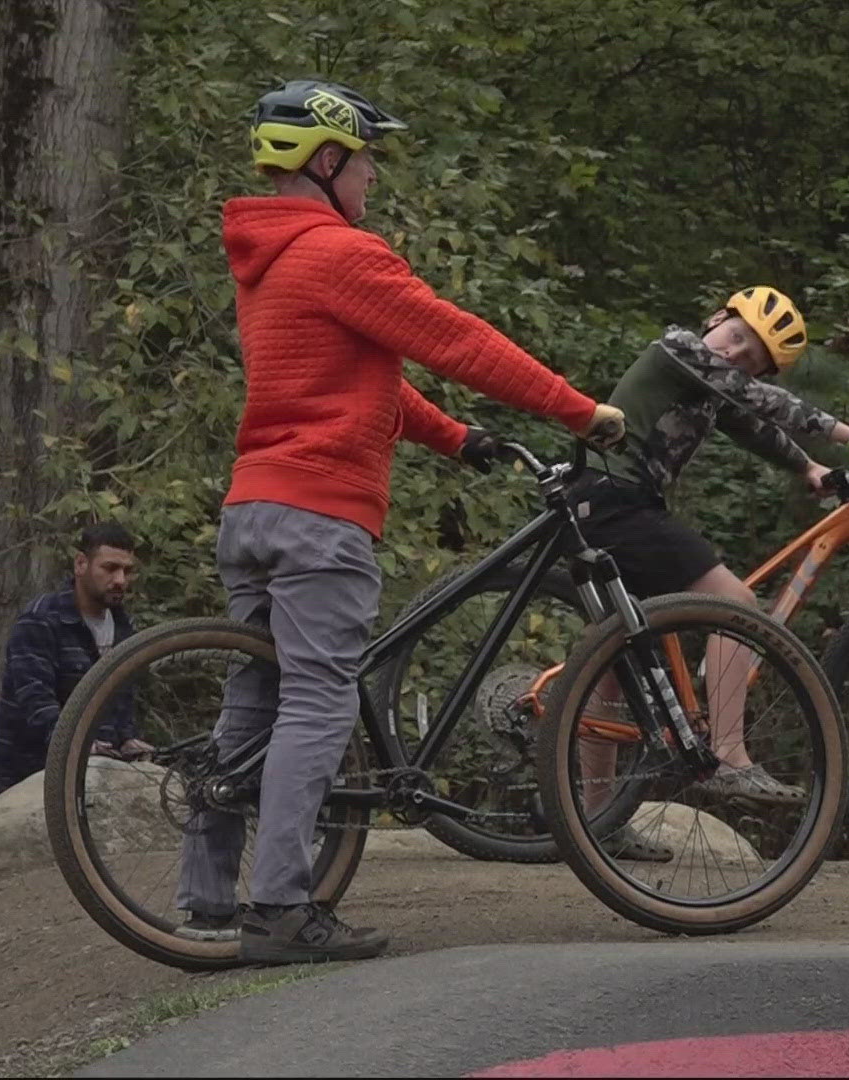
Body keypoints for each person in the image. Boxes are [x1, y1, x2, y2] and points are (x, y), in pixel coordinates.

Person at [171, 78, 626, 965]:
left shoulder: (268, 260)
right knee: (317, 701)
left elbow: (364, 382)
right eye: (368, 158)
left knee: (255, 696)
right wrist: (580, 411)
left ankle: (208, 895)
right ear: (328, 159)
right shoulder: (343, 254)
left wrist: (460, 440)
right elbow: (457, 340)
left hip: (254, 506)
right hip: (320, 515)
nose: (374, 176)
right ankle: (282, 908)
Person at [571, 287, 849, 860]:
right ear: (716, 319)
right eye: (738, 337)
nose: (737, 355)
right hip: (619, 501)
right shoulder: (676, 348)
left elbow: (753, 424)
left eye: (751, 358)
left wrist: (811, 468)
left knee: (610, 671)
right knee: (737, 604)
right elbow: (759, 400)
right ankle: (728, 754)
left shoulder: (711, 386)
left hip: (608, 505)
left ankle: (599, 819)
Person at [0, 523, 145, 799]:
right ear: (81, 564)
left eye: (127, 571)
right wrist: (79, 745)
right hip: (32, 782)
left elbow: (122, 697)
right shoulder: (41, 619)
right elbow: (36, 702)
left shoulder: (122, 625)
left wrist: (128, 739)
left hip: (96, 782)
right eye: (109, 568)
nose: (120, 580)